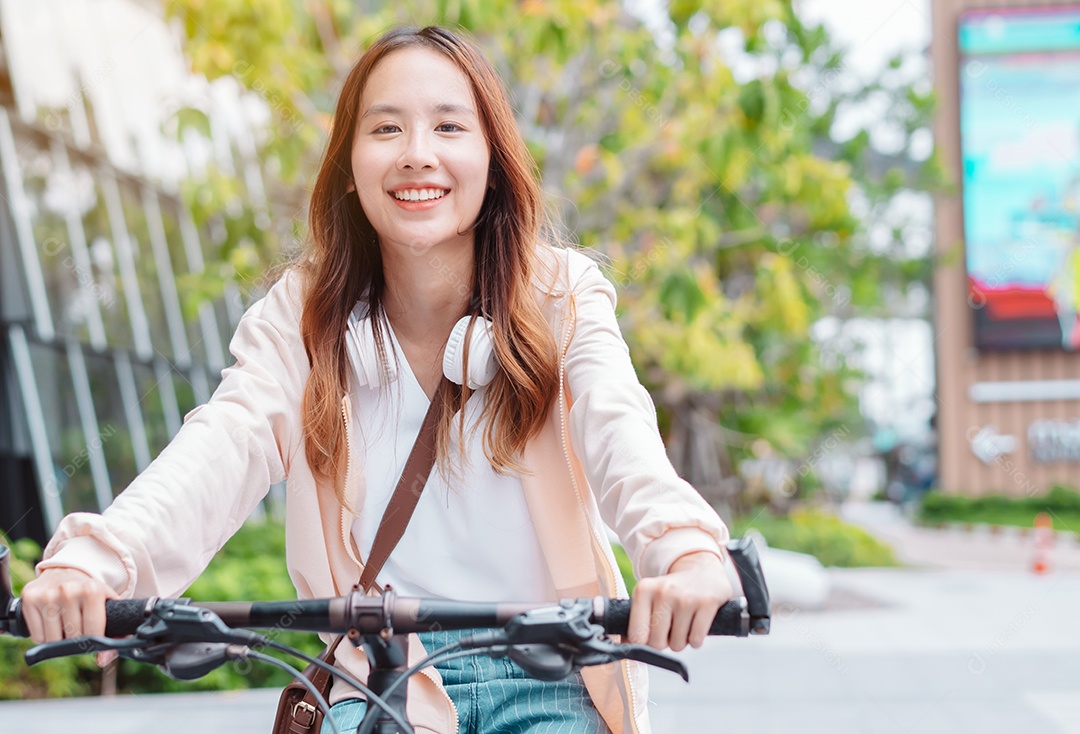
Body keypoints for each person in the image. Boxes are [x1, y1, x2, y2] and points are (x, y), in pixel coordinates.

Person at [21, 25, 732, 734]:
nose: (417, 154)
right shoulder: (304, 315)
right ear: (351, 166)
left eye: (449, 126)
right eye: (386, 127)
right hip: (380, 678)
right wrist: (92, 566)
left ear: (493, 160)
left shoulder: (560, 296)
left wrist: (687, 551)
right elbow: (222, 443)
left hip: (546, 673)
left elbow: (620, 429)